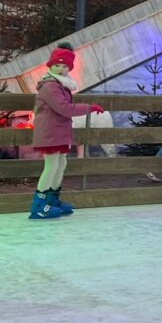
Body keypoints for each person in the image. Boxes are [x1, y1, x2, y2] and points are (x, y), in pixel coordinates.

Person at [30, 44, 106, 220]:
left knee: (61, 164)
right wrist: (89, 107)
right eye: (57, 65)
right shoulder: (50, 86)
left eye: (65, 66)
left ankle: (52, 200)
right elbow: (63, 108)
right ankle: (39, 206)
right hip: (50, 131)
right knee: (51, 167)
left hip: (59, 130)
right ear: (50, 66)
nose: (61, 69)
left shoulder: (61, 84)